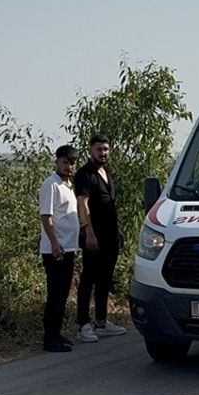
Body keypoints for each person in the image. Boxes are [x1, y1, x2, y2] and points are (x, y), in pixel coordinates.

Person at [75, 135, 128, 343]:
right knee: (88, 279)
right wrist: (88, 232)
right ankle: (83, 325)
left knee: (104, 279)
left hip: (110, 236)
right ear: (91, 150)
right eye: (99, 149)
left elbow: (110, 204)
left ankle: (101, 322)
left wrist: (118, 230)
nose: (102, 153)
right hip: (93, 236)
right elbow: (83, 205)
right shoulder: (84, 174)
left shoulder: (107, 172)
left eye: (105, 149)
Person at [39, 145, 81, 353]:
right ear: (57, 162)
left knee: (62, 294)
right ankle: (49, 338)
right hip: (55, 250)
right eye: (65, 162)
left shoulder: (69, 186)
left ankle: (57, 333)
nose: (69, 166)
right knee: (55, 294)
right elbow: (46, 216)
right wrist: (55, 243)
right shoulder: (51, 184)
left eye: (72, 163)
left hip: (69, 247)